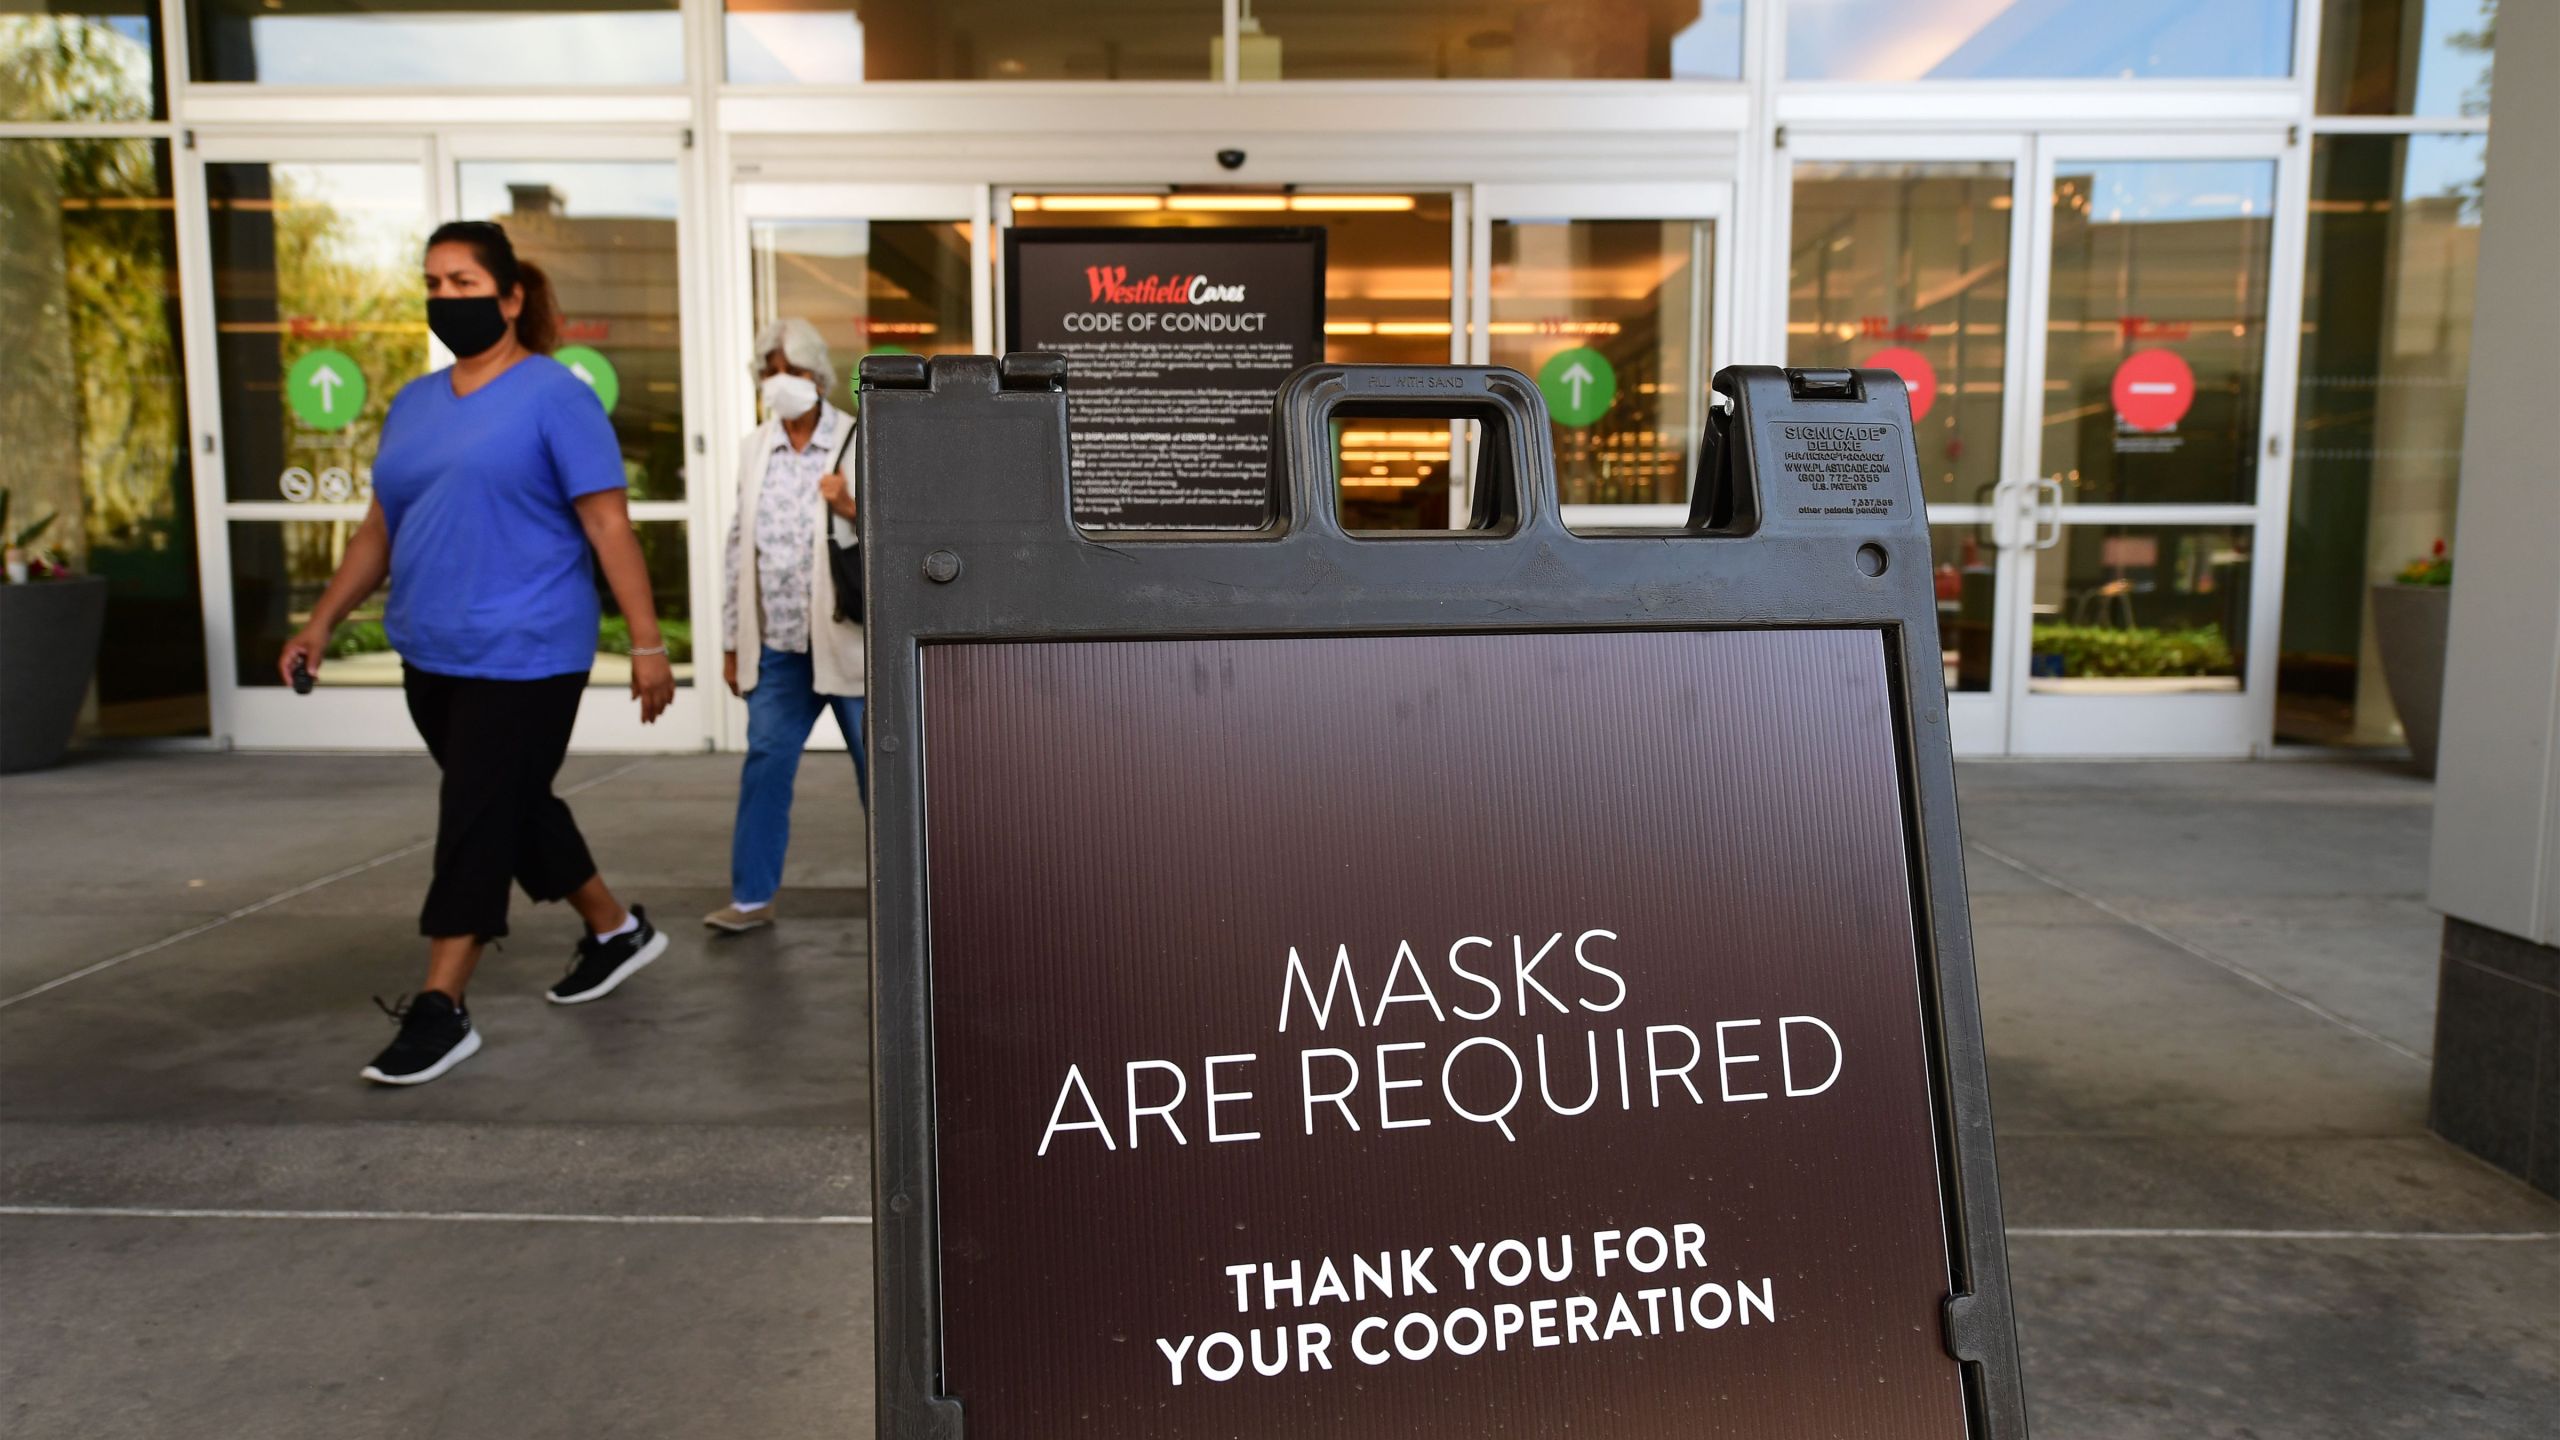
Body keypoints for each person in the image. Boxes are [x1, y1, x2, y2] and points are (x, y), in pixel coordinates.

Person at [279, 219, 678, 1087]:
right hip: (432, 650)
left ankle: (442, 1006)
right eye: (434, 284)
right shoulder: (416, 404)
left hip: (530, 649)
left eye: (463, 283)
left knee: (473, 818)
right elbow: (379, 531)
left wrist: (648, 645)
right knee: (508, 802)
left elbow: (608, 523)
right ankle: (617, 931)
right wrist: (320, 623)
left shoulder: (554, 396)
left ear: (510, 295)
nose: (445, 299)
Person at [702, 318, 866, 934]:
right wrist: (729, 640)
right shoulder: (755, 447)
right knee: (766, 763)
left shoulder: (857, 439)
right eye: (771, 372)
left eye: (793, 372)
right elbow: (737, 545)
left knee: (879, 776)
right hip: (778, 646)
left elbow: (902, 540)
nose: (782, 383)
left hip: (846, 642)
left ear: (819, 377)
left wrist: (852, 507)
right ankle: (751, 898)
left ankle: (909, 896)